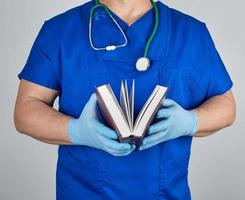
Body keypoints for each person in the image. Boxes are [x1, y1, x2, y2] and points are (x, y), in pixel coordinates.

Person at [14, 0, 236, 199]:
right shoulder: (60, 31)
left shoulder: (190, 33)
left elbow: (226, 105)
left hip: (166, 193)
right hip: (82, 193)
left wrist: (191, 121)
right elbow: (26, 110)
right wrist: (75, 130)